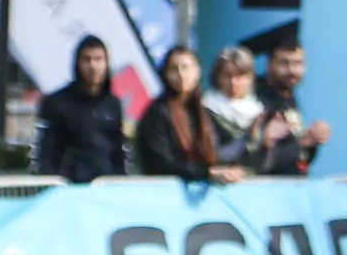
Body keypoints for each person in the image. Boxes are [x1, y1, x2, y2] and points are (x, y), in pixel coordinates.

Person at [32, 35, 126, 182]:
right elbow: (45, 151)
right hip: (68, 189)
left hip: (107, 188)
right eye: (86, 59)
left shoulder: (113, 104)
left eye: (98, 59)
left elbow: (118, 151)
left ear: (107, 63)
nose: (93, 66)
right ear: (77, 63)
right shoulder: (56, 102)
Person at [133, 43, 221, 181]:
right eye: (174, 69)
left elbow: (217, 152)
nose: (181, 74)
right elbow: (161, 164)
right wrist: (203, 173)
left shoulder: (204, 111)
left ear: (197, 71)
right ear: (165, 74)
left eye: (186, 68)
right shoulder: (157, 112)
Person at [248, 39, 329, 177]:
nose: (292, 70)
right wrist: (302, 143)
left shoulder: (288, 96)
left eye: (297, 63)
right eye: (284, 63)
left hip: (292, 190)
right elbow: (255, 161)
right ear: (269, 64)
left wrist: (312, 141)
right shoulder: (256, 99)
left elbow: (297, 158)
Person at [205, 42, 265, 162]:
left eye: (240, 76)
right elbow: (214, 155)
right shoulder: (206, 110)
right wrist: (246, 139)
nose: (233, 82)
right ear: (217, 77)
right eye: (227, 76)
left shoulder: (259, 110)